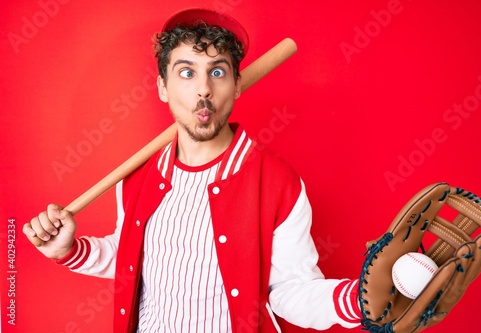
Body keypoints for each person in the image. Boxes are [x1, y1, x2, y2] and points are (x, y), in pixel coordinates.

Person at [23, 8, 361, 333]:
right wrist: (68, 251)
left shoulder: (277, 184)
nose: (203, 89)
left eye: (217, 72)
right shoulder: (137, 179)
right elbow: (135, 260)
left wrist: (355, 300)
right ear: (162, 88)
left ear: (237, 84)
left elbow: (290, 289)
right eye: (187, 72)